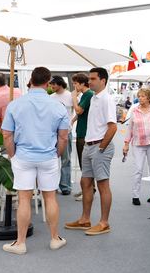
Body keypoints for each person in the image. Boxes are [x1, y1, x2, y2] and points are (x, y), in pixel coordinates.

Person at [1, 67, 69, 255]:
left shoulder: (15, 104)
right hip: (48, 157)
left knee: (24, 198)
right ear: (48, 83)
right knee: (50, 197)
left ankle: (20, 243)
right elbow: (63, 137)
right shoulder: (58, 106)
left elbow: (7, 134)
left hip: (23, 157)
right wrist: (57, 154)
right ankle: (55, 239)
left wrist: (13, 154)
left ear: (30, 80)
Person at [65, 67, 117, 236]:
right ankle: (85, 219)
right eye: (89, 78)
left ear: (103, 80)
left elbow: (113, 127)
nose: (89, 81)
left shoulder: (106, 99)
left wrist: (101, 147)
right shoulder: (94, 98)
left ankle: (104, 223)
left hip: (99, 146)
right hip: (89, 145)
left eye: (93, 78)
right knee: (85, 183)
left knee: (103, 185)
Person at [123, 89, 150, 205]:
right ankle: (135, 196)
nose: (140, 98)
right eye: (139, 96)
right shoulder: (134, 110)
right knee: (138, 170)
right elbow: (129, 128)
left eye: (143, 96)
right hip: (138, 144)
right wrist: (126, 144)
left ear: (149, 98)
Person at [70, 73, 94, 201]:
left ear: (82, 83)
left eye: (75, 83)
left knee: (84, 164)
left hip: (84, 133)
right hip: (83, 131)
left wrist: (74, 98)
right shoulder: (87, 95)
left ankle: (88, 191)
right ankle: (89, 189)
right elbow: (81, 113)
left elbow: (79, 110)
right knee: (84, 164)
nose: (74, 86)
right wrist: (73, 119)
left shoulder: (88, 94)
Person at [50, 76, 74, 196]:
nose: (52, 86)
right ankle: (51, 186)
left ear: (60, 84)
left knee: (66, 160)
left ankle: (65, 186)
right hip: (52, 133)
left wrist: (72, 122)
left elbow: (79, 111)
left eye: (53, 84)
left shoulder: (70, 96)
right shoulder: (50, 98)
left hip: (66, 132)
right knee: (51, 160)